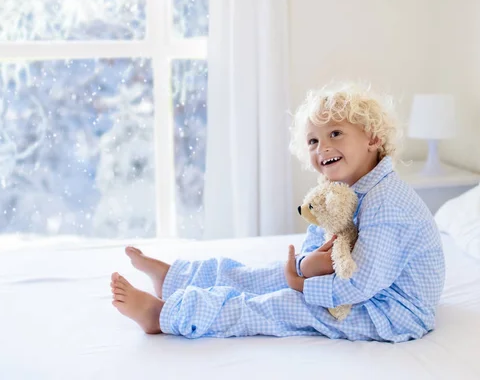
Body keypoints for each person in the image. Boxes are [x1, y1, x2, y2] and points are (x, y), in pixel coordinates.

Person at [110, 82, 445, 342]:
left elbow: (360, 284)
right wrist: (303, 267)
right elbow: (314, 253)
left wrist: (299, 285)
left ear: (372, 138)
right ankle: (175, 280)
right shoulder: (338, 191)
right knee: (262, 275)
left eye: (336, 134)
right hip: (361, 289)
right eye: (313, 141)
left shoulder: (387, 201)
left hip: (392, 310)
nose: (322, 147)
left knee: (281, 305)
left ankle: (166, 316)